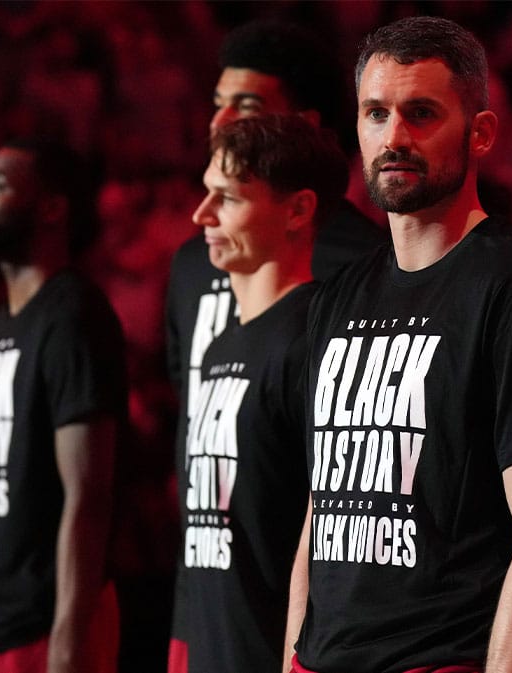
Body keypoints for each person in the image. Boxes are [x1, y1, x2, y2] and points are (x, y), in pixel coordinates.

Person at [285, 17, 512, 673]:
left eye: (421, 113)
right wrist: (292, 656)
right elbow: (322, 509)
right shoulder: (339, 296)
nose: (394, 136)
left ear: (480, 133)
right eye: (376, 113)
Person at [164, 20, 386, 671]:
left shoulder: (361, 270)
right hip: (207, 591)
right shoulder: (192, 263)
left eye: (248, 104)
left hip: (293, 611)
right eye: (218, 102)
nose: (223, 120)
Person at [0, 140, 128, 673]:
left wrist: (68, 638)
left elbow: (89, 494)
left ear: (51, 208)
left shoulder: (73, 315)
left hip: (35, 629)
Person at [174, 114, 348, 673]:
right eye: (207, 192)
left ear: (298, 210)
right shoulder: (221, 346)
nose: (201, 214)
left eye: (227, 197)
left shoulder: (314, 340)